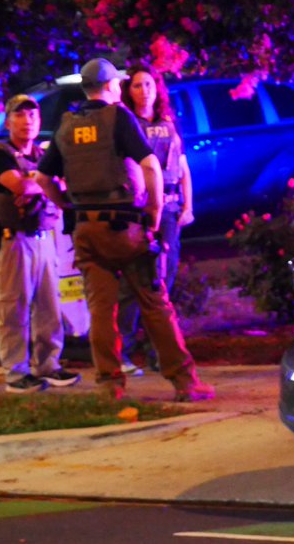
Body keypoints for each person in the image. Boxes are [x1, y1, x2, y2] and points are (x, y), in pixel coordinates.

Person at [32, 58, 215, 402]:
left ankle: (110, 387)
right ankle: (185, 383)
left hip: (86, 230)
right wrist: (155, 212)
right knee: (154, 302)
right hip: (126, 227)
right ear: (112, 86)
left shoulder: (67, 125)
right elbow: (150, 166)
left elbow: (43, 178)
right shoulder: (119, 117)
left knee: (101, 309)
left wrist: (66, 206)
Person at [0, 94, 81, 393]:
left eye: (32, 116)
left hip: (44, 238)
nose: (27, 121)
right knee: (12, 308)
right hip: (14, 240)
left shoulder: (42, 154)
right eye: (20, 115)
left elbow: (61, 185)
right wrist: (41, 183)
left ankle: (48, 365)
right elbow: (20, 185)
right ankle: (16, 373)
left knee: (49, 307)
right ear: (8, 120)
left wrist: (36, 181)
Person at [117, 65, 193, 375]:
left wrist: (188, 205)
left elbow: (184, 168)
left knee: (164, 279)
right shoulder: (125, 124)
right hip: (139, 211)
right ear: (129, 91)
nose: (144, 90)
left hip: (171, 211)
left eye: (149, 84)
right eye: (137, 85)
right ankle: (123, 349)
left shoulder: (170, 124)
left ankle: (157, 350)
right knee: (133, 282)